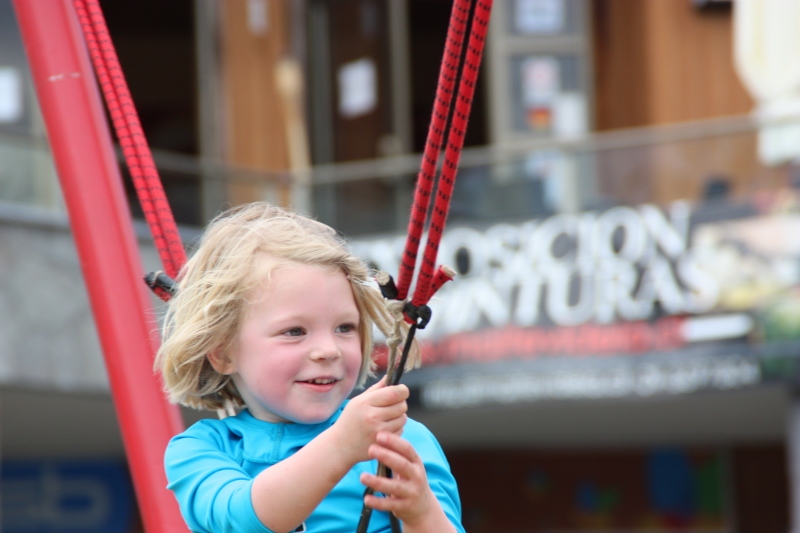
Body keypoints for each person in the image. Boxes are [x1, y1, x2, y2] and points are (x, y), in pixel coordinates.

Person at [155, 202, 465, 533]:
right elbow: (241, 520)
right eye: (295, 332)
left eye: (345, 327)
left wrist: (421, 514)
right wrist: (342, 445)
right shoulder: (201, 449)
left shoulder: (403, 440)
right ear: (222, 353)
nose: (328, 350)